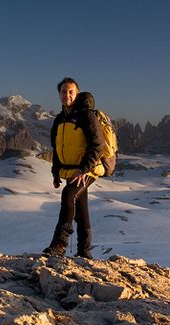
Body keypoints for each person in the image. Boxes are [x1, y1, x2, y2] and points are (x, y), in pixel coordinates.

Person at [43, 77, 107, 259]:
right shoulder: (59, 119)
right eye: (64, 91)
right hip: (71, 171)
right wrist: (56, 174)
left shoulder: (86, 116)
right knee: (80, 208)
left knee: (69, 194)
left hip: (89, 169)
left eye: (71, 91)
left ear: (77, 94)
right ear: (59, 94)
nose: (67, 95)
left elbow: (98, 145)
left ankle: (59, 245)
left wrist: (84, 169)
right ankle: (84, 253)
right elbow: (57, 149)